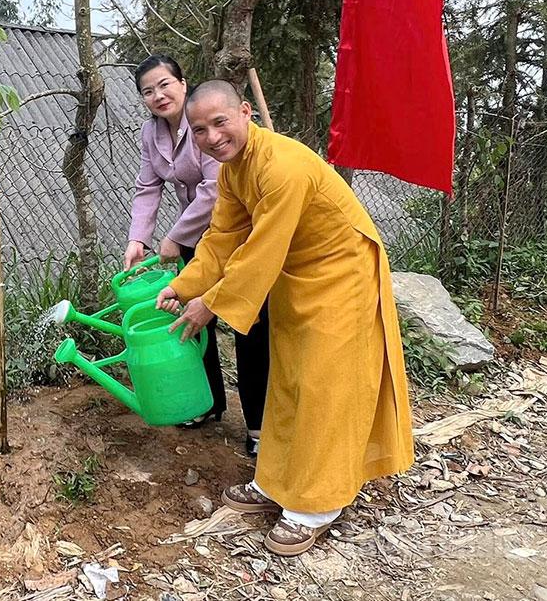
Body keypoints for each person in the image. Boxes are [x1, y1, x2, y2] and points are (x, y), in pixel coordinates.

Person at [156, 80, 414, 557]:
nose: (212, 136)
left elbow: (260, 250)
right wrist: (182, 285)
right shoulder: (233, 171)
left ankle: (316, 506)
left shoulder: (283, 166)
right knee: (289, 382)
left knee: (324, 387)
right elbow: (223, 237)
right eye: (200, 129)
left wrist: (210, 302)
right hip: (298, 275)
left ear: (246, 114)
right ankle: (275, 483)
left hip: (342, 273)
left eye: (220, 122)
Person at [123, 55, 269, 450]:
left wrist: (173, 237)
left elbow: (214, 187)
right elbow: (147, 185)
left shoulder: (204, 122)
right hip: (195, 240)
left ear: (183, 84)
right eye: (147, 91)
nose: (157, 95)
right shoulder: (151, 133)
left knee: (246, 324)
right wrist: (140, 238)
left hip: (236, 233)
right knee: (191, 318)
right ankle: (206, 403)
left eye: (164, 84)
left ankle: (259, 427)